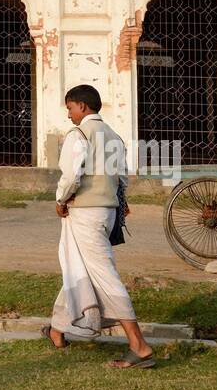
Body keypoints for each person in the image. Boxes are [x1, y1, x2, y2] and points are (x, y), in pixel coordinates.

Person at [44, 84, 155, 369]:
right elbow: (122, 177)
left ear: (82, 106)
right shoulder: (114, 136)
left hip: (84, 213)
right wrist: (122, 201)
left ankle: (138, 345)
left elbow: (71, 176)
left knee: (104, 274)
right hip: (107, 213)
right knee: (79, 267)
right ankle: (57, 330)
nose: (68, 115)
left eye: (69, 108)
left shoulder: (79, 134)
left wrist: (60, 200)